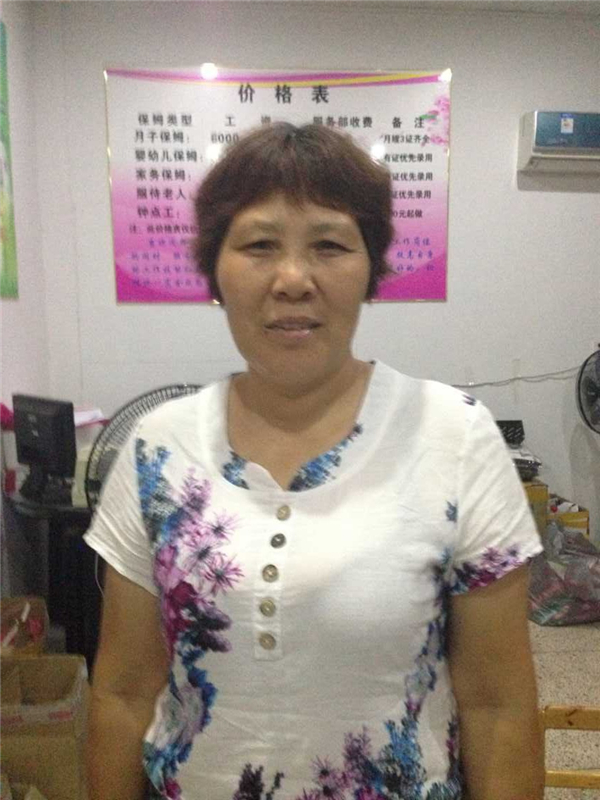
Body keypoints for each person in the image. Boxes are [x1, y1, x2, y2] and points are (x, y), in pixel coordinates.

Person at [85, 122, 544, 800]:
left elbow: (498, 708)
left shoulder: (456, 439)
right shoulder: (157, 449)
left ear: (370, 271)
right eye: (259, 245)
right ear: (215, 271)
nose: (293, 279)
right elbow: (123, 695)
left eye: (329, 245)